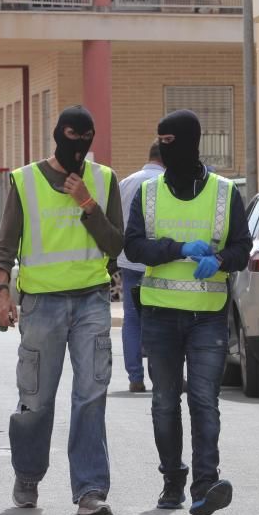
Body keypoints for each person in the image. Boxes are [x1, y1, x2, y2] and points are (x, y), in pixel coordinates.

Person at [0, 105, 123, 515]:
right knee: (36, 398)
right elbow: (5, 245)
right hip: (41, 305)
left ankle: (89, 489)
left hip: (91, 301)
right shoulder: (25, 180)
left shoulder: (102, 181)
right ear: (57, 135)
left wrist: (87, 204)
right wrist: (1, 294)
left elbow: (115, 245)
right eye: (72, 135)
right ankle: (27, 475)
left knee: (90, 395)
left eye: (87, 137)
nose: (79, 145)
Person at [124, 110, 252, 515]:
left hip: (207, 316)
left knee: (203, 401)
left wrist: (221, 261)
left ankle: (204, 485)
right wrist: (178, 248)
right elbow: (133, 248)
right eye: (161, 140)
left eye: (172, 140)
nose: (165, 147)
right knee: (164, 402)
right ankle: (172, 480)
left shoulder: (224, 193)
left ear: (192, 142)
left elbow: (242, 249)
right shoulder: (148, 193)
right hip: (160, 314)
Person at [116, 140, 164, 393]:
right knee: (160, 319)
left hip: (129, 261)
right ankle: (161, 376)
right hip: (159, 261)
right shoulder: (167, 183)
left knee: (132, 319)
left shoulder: (126, 182)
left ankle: (135, 377)